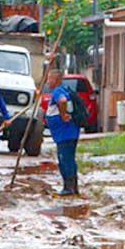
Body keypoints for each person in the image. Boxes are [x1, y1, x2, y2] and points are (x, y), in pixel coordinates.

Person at [45, 68, 81, 196]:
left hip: (65, 133)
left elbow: (62, 101)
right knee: (69, 159)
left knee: (65, 160)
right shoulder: (65, 89)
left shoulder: (58, 91)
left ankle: (68, 187)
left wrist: (63, 115)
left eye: (49, 79)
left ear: (55, 80)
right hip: (69, 132)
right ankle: (73, 187)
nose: (47, 82)